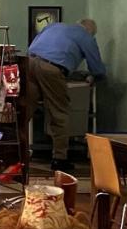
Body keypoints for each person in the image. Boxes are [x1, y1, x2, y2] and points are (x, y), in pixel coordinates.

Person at [25, 18, 106, 171]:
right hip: (51, 69)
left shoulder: (54, 26)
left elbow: (32, 47)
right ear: (90, 31)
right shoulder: (86, 36)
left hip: (29, 63)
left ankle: (17, 155)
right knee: (59, 113)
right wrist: (95, 76)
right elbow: (97, 68)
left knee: (25, 111)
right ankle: (59, 159)